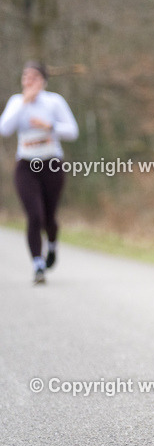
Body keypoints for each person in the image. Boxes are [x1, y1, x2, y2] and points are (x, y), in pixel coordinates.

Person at [0, 61, 79, 285]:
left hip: (51, 164)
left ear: (43, 81)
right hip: (26, 165)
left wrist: (50, 126)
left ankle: (52, 245)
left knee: (49, 217)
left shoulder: (54, 102)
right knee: (35, 215)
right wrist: (24, 102)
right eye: (25, 76)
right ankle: (38, 264)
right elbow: (4, 129)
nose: (28, 81)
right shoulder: (16, 102)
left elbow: (72, 131)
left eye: (34, 77)